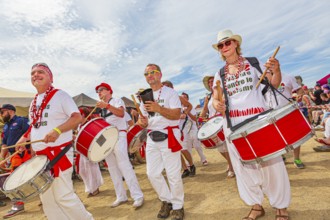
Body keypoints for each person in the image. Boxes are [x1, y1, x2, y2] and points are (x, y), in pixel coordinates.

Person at [211, 30, 290, 220]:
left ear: (236, 43)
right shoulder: (219, 73)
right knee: (243, 166)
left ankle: (281, 207)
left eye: (227, 42)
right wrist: (217, 104)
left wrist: (276, 70)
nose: (224, 47)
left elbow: (273, 84)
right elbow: (215, 98)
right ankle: (256, 206)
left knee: (272, 163)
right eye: (220, 45)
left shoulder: (252, 63)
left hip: (258, 120)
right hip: (233, 124)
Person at [16, 63, 93, 220]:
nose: (35, 75)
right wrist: (24, 137)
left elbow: (77, 117)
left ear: (51, 78)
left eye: (40, 72)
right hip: (40, 157)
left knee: (64, 196)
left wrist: (57, 131)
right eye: (33, 73)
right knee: (48, 200)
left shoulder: (61, 95)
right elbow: (35, 125)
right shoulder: (33, 102)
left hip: (58, 154)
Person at [137, 64, 184, 220]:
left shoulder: (170, 93)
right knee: (152, 173)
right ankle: (166, 200)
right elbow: (144, 121)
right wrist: (141, 121)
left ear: (160, 74)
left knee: (173, 174)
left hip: (169, 135)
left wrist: (159, 108)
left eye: (152, 72)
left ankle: (178, 206)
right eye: (146, 74)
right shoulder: (144, 96)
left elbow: (177, 115)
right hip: (152, 137)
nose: (149, 75)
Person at [95, 82, 144, 209]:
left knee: (124, 166)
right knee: (112, 168)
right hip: (108, 139)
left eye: (101, 90)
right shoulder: (101, 109)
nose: (99, 92)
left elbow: (121, 114)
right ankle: (121, 196)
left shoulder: (116, 100)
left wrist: (106, 105)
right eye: (97, 91)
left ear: (109, 91)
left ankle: (137, 196)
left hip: (119, 135)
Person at [264, 73, 306, 169]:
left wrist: (299, 95)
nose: (270, 68)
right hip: (271, 113)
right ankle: (281, 156)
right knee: (277, 137)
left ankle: (296, 159)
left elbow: (299, 90)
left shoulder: (288, 76)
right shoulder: (262, 79)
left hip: (288, 110)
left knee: (296, 136)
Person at [200, 75, 235, 178]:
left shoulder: (222, 92)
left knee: (226, 146)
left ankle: (232, 168)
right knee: (220, 148)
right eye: (209, 82)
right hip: (212, 123)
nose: (211, 83)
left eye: (212, 81)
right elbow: (205, 109)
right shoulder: (208, 97)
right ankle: (230, 163)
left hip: (222, 120)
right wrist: (201, 117)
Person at [0, 104, 30, 218]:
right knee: (15, 181)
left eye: (2, 112)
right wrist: (3, 159)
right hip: (14, 157)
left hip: (25, 154)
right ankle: (18, 205)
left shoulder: (22, 121)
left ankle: (48, 199)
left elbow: (30, 134)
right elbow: (4, 144)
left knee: (34, 177)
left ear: (10, 111)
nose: (1, 115)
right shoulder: (6, 127)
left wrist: (32, 152)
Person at [161, 81, 196, 179]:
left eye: (167, 86)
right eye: (163, 86)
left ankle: (192, 165)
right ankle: (185, 169)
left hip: (181, 126)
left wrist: (184, 113)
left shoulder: (177, 97)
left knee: (183, 148)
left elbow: (190, 106)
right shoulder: (161, 100)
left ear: (172, 87)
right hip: (169, 128)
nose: (165, 88)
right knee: (175, 150)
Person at [75, 107, 104, 197]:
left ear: (83, 115)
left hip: (90, 150)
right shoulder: (80, 126)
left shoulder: (90, 124)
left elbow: (100, 138)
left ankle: (95, 188)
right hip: (82, 151)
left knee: (91, 170)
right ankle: (90, 188)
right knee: (83, 171)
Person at [180, 92, 208, 166]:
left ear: (187, 98)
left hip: (193, 128)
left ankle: (203, 159)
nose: (183, 99)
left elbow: (195, 119)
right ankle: (190, 162)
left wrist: (187, 112)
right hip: (184, 130)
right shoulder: (178, 108)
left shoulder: (191, 107)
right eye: (182, 97)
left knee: (197, 145)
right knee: (187, 146)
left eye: (185, 97)